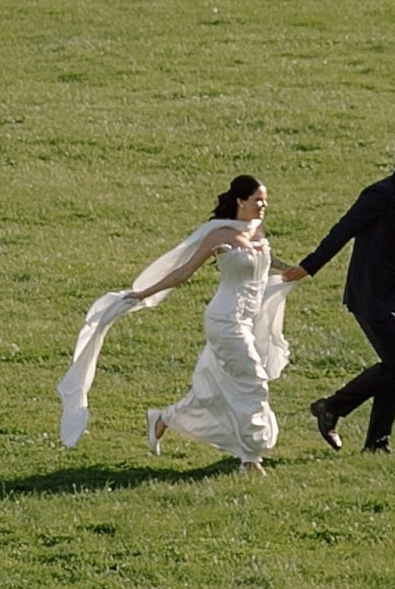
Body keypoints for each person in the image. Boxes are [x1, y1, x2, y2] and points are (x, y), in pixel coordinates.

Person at [58, 175, 307, 469]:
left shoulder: (256, 230)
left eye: (265, 200)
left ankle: (164, 419)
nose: (263, 205)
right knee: (253, 382)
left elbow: (264, 258)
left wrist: (288, 269)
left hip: (249, 321)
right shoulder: (219, 236)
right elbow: (183, 273)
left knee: (214, 389)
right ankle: (251, 458)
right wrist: (142, 294)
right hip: (225, 321)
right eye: (258, 200)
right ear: (241, 201)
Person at [299, 131, 395, 454]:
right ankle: (330, 408)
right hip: (371, 296)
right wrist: (308, 267)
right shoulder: (379, 194)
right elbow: (343, 230)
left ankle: (377, 443)